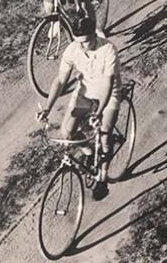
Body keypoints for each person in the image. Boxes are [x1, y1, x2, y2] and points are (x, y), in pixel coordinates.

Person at [37, 15, 120, 199]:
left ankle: (103, 179)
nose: (82, 46)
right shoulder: (73, 49)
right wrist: (47, 109)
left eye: (86, 42)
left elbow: (108, 85)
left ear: (94, 36)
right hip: (85, 93)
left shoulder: (108, 49)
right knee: (67, 133)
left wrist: (99, 113)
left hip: (108, 94)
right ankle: (90, 152)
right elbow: (60, 80)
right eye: (78, 42)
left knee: (105, 134)